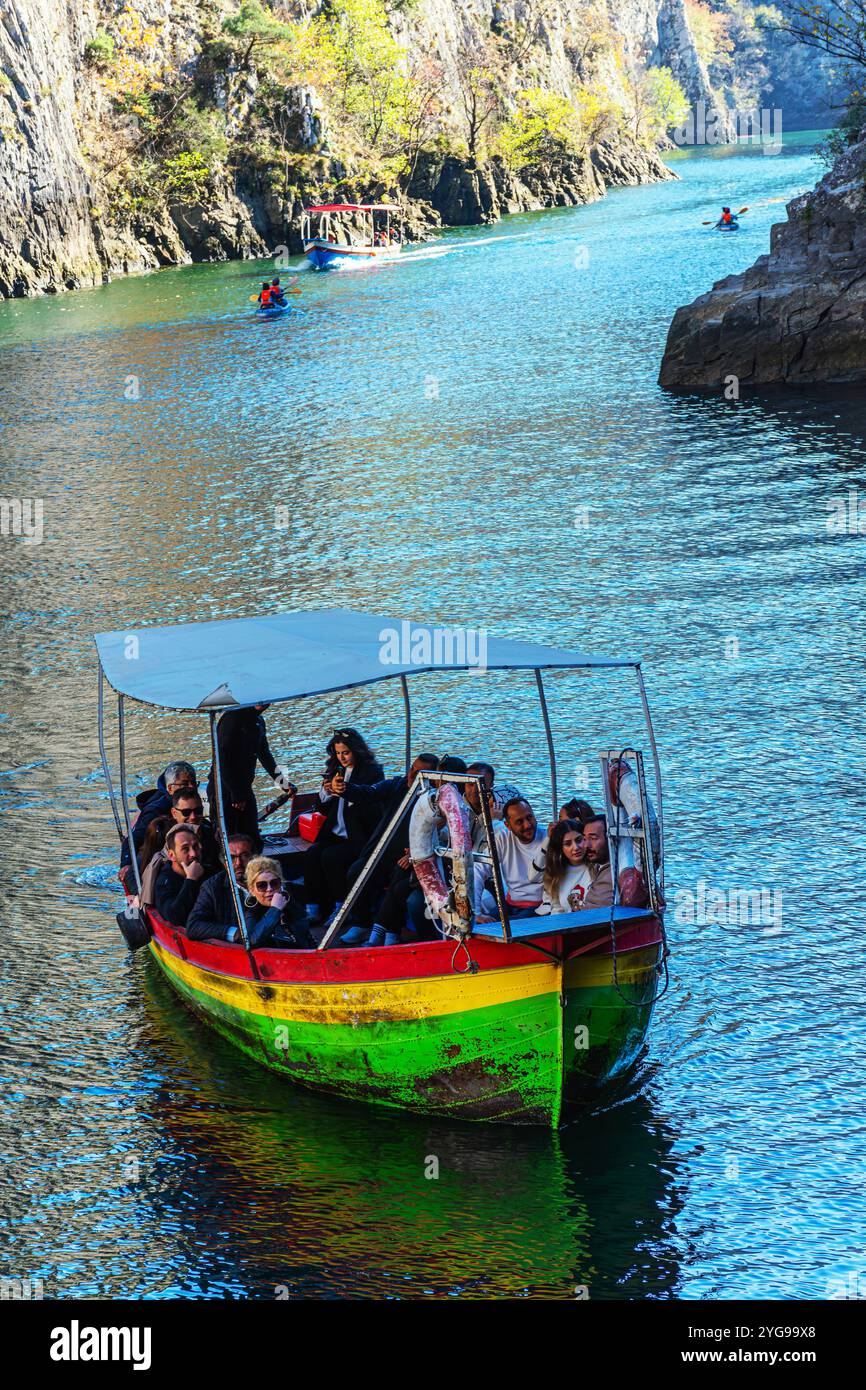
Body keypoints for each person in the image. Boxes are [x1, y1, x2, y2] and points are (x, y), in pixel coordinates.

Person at [337, 752, 439, 944]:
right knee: (356, 871)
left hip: (410, 855)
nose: (412, 776)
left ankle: (389, 932)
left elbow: (435, 833)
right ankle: (361, 923)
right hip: (383, 850)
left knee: (399, 879)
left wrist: (415, 852)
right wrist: (344, 789)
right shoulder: (396, 785)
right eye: (412, 770)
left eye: (420, 774)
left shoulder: (432, 799)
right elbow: (368, 793)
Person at [303, 728, 384, 925]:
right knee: (312, 854)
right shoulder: (334, 770)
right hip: (336, 833)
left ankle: (342, 908)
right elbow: (322, 808)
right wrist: (326, 792)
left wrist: (347, 791)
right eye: (338, 753)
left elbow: (371, 802)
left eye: (346, 753)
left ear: (356, 750)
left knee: (331, 858)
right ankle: (314, 907)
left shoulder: (372, 772)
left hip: (359, 835)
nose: (342, 757)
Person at [205, 703, 294, 841]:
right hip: (224, 788)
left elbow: (265, 755)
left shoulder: (258, 721)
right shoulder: (232, 718)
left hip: (244, 787)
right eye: (258, 699)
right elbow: (222, 758)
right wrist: (235, 792)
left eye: (266, 700)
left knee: (252, 837)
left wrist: (283, 784)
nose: (262, 703)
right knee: (229, 838)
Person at [119, 760, 197, 887]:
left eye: (193, 783)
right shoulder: (155, 811)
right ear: (170, 788)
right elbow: (134, 838)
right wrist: (126, 863)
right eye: (185, 784)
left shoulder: (194, 803)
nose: (191, 787)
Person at [482, 797, 547, 919]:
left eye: (529, 817)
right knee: (478, 924)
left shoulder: (547, 838)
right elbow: (479, 869)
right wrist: (475, 913)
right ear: (508, 825)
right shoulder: (502, 838)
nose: (527, 825)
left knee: (496, 926)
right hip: (510, 904)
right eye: (519, 822)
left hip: (540, 907)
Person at [186, 831, 256, 943]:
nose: (238, 863)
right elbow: (194, 926)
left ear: (254, 858)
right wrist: (236, 933)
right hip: (237, 950)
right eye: (231, 857)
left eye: (244, 856)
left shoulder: (269, 879)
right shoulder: (212, 887)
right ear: (224, 862)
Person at [244, 857, 313, 948]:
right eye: (262, 885)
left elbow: (306, 937)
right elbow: (252, 941)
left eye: (274, 883)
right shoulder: (251, 913)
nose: (269, 889)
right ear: (252, 890)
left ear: (281, 885)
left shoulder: (291, 903)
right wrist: (275, 910)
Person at [153, 824, 207, 927]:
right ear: (171, 855)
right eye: (185, 849)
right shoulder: (164, 882)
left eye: (195, 847)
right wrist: (191, 880)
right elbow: (175, 917)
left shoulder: (209, 871)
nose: (193, 854)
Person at [538, 819, 592, 914]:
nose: (575, 847)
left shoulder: (596, 868)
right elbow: (556, 910)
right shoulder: (555, 874)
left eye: (578, 840)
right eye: (567, 844)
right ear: (560, 848)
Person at [580, 815, 614, 909]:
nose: (586, 845)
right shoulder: (597, 866)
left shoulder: (613, 873)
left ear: (610, 838)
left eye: (593, 838)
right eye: (585, 839)